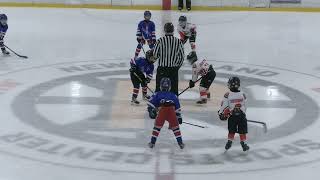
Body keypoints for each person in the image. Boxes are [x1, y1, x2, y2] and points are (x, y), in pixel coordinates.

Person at [147, 78, 184, 149]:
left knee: (157, 127)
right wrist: (179, 117)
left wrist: (152, 110)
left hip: (162, 111)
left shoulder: (157, 94)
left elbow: (150, 104)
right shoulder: (173, 95)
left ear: (160, 86)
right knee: (175, 128)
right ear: (169, 86)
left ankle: (152, 143)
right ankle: (180, 143)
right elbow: (177, 109)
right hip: (171, 111)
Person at [218, 77, 250, 151]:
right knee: (242, 131)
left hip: (232, 116)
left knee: (232, 130)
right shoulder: (243, 94)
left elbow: (223, 106)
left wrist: (221, 114)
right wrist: (242, 113)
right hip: (241, 116)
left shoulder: (227, 95)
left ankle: (229, 141)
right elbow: (245, 105)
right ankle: (243, 143)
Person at [153, 22, 185, 96]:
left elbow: (155, 55)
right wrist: (177, 67)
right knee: (173, 90)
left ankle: (158, 103)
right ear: (173, 30)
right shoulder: (178, 42)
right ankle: (173, 104)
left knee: (159, 89)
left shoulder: (160, 41)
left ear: (165, 30)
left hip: (162, 69)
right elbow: (182, 57)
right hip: (173, 69)